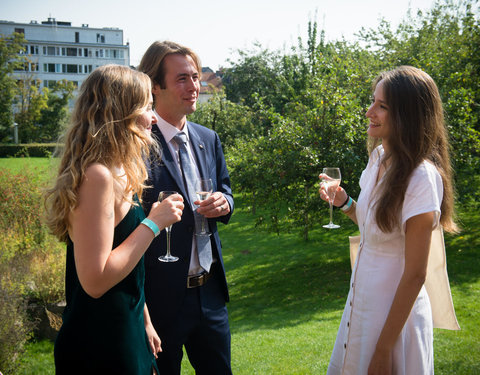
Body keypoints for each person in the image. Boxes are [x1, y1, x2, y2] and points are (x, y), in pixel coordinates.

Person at [44, 64, 184, 374]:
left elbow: (127, 265)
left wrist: (144, 320)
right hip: (100, 342)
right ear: (122, 112)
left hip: (128, 327)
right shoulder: (98, 176)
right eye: (146, 106)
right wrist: (154, 223)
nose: (152, 115)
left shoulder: (122, 170)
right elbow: (95, 281)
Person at [319, 66, 459, 375]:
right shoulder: (378, 158)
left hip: (395, 323)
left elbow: (415, 274)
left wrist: (383, 351)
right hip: (362, 307)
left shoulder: (421, 177)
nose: (370, 112)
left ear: (408, 114)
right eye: (373, 101)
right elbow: (376, 229)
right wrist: (344, 202)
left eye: (382, 106)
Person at [138, 41, 234, 374]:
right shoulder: (137, 144)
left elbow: (226, 190)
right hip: (160, 298)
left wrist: (225, 203)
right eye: (182, 79)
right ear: (155, 87)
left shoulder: (209, 138)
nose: (194, 86)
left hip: (210, 293)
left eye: (195, 76)